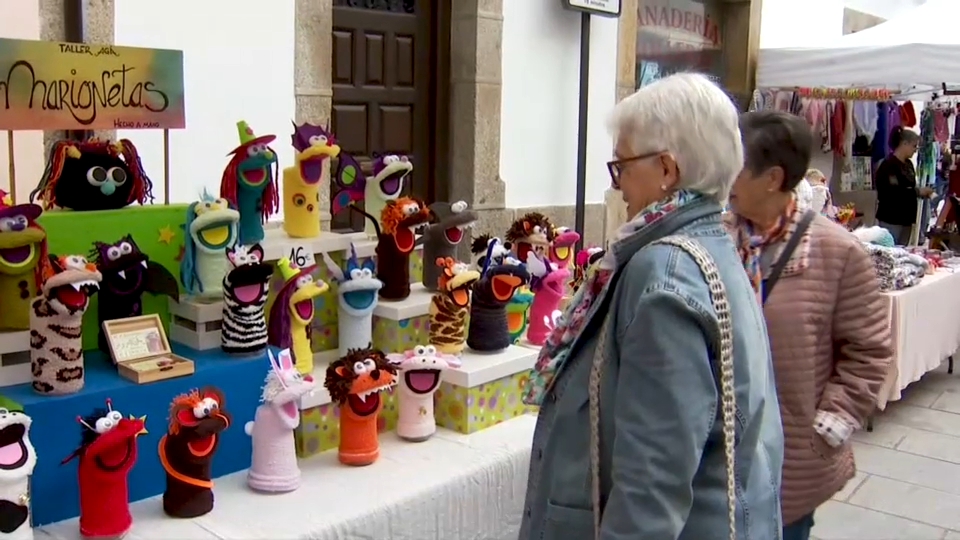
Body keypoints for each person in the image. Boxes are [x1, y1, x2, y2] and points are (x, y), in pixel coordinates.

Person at [519, 73, 783, 540]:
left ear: (666, 169)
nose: (618, 184)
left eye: (622, 165)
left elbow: (651, 486)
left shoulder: (664, 269)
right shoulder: (714, 245)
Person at [728, 110, 893, 540]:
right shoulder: (716, 236)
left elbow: (870, 349)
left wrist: (828, 428)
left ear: (772, 178)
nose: (724, 177)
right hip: (715, 457)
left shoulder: (836, 252)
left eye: (735, 166)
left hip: (789, 461)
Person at [875, 126, 934, 245]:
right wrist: (917, 192)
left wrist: (921, 193)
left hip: (907, 219)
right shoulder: (888, 166)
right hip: (891, 218)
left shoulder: (908, 165)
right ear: (904, 143)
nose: (915, 150)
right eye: (914, 146)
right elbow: (892, 193)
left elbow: (910, 187)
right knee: (888, 251)